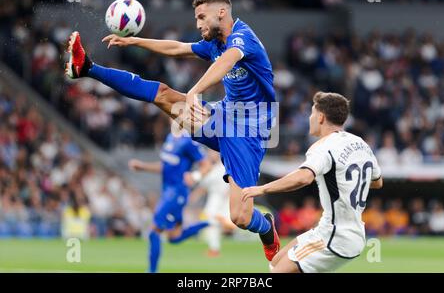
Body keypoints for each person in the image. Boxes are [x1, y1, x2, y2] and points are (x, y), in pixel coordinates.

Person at [65, 0, 280, 260]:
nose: (199, 24)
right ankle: (87, 67)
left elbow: (228, 61)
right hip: (223, 116)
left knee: (240, 216)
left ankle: (266, 227)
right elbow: (177, 47)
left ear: (222, 13)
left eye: (202, 17)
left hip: (249, 131)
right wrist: (134, 41)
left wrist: (195, 90)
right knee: (164, 95)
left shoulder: (241, 37)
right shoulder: (214, 42)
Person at [242, 92, 383, 273]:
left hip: (335, 237)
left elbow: (303, 177)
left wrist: (262, 189)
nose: (310, 118)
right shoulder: (361, 144)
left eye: (312, 113)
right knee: (276, 262)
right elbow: (377, 182)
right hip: (345, 231)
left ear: (321, 117)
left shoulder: (323, 147)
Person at [128, 126, 211, 273]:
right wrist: (143, 166)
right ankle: (206, 224)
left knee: (154, 230)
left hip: (177, 192)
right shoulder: (170, 137)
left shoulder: (189, 141)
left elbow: (206, 164)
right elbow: (165, 166)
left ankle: (152, 271)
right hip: (167, 190)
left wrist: (195, 176)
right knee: (174, 237)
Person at [185, 149, 236, 257]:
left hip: (226, 199)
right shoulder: (209, 169)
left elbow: (232, 184)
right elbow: (203, 187)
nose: (211, 154)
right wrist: (193, 196)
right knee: (211, 222)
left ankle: (227, 224)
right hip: (214, 198)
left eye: (213, 152)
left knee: (226, 221)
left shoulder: (226, 167)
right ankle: (214, 249)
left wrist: (230, 195)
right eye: (209, 152)